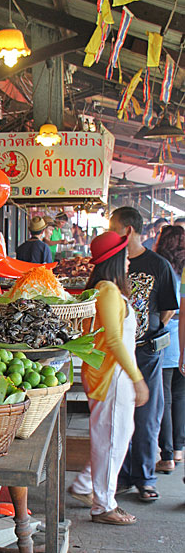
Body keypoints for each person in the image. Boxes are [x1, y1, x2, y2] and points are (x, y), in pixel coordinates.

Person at [68, 231, 148, 525]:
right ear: (115, 260)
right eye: (125, 257)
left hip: (111, 374)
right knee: (112, 439)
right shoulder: (109, 291)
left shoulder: (107, 289)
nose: (129, 261)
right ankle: (103, 505)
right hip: (113, 376)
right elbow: (114, 340)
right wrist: (136, 378)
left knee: (112, 437)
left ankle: (86, 486)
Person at [110, 207, 178, 502]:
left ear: (127, 231)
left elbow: (169, 308)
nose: (110, 234)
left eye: (113, 229)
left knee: (147, 415)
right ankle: (123, 475)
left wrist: (147, 334)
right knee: (119, 413)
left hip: (146, 352)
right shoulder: (114, 264)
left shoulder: (158, 265)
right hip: (117, 351)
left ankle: (146, 478)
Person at [154, 225, 185, 472]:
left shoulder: (162, 267)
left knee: (164, 400)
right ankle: (178, 450)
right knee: (179, 398)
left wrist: (158, 328)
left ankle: (166, 456)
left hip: (167, 340)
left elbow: (172, 309)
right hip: (182, 344)